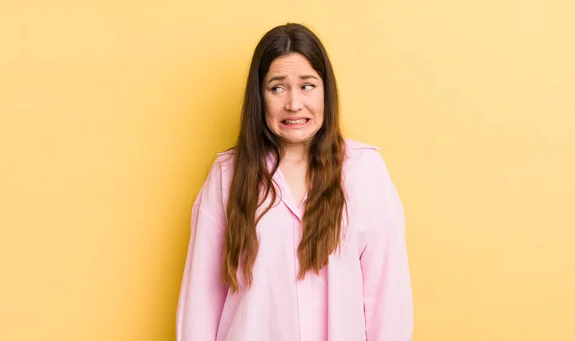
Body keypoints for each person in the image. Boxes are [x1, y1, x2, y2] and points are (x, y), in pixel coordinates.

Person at [176, 23, 413, 341]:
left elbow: (388, 298)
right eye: (277, 88)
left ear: (325, 90)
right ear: (260, 97)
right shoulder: (227, 177)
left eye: (307, 86)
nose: (293, 104)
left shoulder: (365, 171)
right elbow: (200, 305)